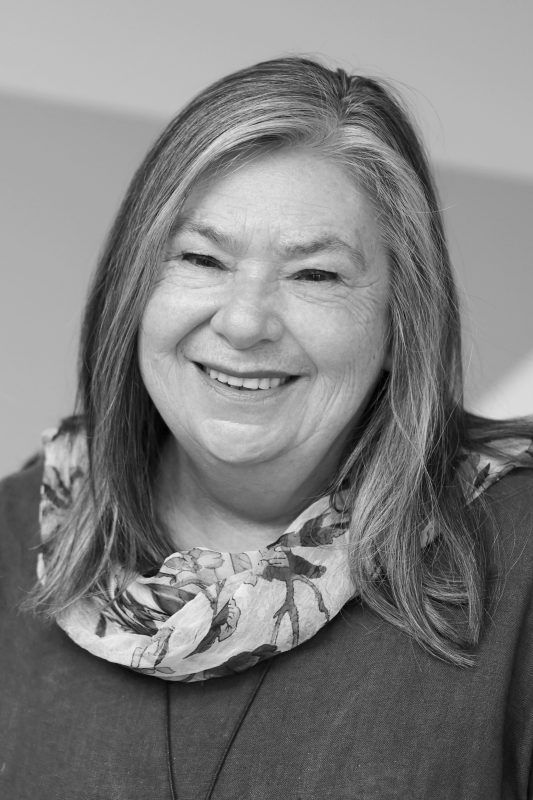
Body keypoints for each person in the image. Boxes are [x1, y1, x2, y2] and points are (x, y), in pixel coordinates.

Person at [1, 57, 532, 800]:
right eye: (200, 258)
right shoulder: (12, 530)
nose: (245, 322)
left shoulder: (520, 550)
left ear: (401, 317)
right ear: (133, 289)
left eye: (315, 274)